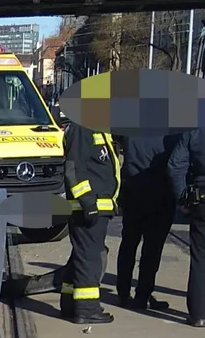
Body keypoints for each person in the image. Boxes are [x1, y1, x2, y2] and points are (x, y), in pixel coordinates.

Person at [59, 121, 121, 324]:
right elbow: (73, 169)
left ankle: (70, 302)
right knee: (90, 258)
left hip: (98, 205)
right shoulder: (83, 128)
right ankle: (87, 308)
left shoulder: (98, 128)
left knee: (81, 254)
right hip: (88, 206)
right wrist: (87, 202)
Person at [115, 132, 180, 311]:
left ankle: (122, 293)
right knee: (152, 250)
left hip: (133, 192)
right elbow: (177, 164)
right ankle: (142, 296)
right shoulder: (170, 135)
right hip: (160, 195)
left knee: (128, 243)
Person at [168, 128, 205, 327]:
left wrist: (182, 197)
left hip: (201, 200)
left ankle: (199, 314)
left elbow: (175, 165)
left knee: (200, 257)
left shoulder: (194, 133)